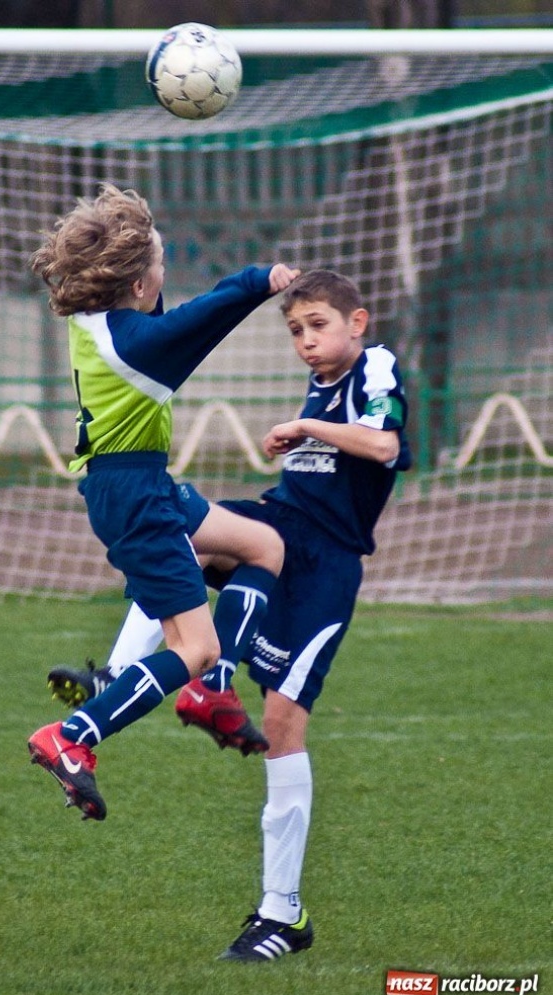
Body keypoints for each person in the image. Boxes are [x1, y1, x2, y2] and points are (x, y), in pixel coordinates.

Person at [48, 268, 412, 959]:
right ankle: (127, 679)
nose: (305, 340)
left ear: (357, 323)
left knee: (280, 726)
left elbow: (385, 447)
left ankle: (281, 915)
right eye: (295, 329)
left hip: (325, 565)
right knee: (174, 541)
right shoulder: (327, 374)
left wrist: (307, 427)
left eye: (318, 326)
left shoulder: (376, 366)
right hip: (280, 522)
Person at [26, 182, 300, 821]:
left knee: (264, 546)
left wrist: (143, 252)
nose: (164, 279)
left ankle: (212, 694)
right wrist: (260, 280)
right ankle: (73, 736)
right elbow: (200, 321)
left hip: (137, 485)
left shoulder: (97, 322)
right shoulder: (137, 347)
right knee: (195, 644)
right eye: (159, 267)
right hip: (135, 496)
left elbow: (166, 313)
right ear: (141, 287)